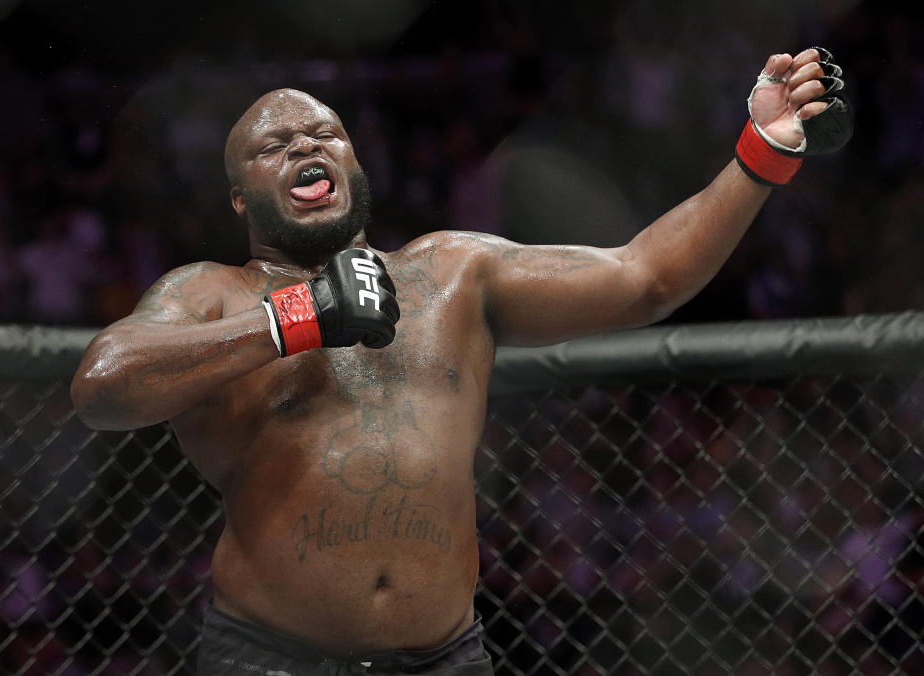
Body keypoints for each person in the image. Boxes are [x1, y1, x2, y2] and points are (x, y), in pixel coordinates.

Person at [71, 47, 852, 675]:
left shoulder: (452, 272)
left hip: (446, 657)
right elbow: (104, 386)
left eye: (325, 135)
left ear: (354, 163)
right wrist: (295, 321)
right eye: (275, 146)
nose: (306, 145)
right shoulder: (210, 295)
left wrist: (762, 155)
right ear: (241, 199)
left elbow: (644, 277)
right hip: (266, 658)